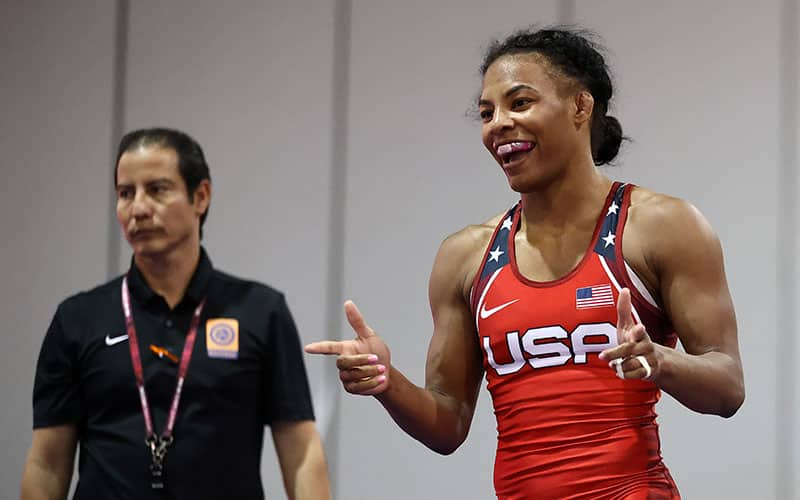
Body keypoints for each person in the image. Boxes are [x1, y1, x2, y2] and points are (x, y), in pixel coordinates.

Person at [306, 27, 744, 499]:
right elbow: (448, 422)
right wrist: (387, 383)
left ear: (581, 106)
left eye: (520, 103)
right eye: (486, 112)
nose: (498, 124)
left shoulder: (663, 226)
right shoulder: (466, 257)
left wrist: (661, 361)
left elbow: (727, 388)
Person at [20, 128, 330, 500]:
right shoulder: (78, 319)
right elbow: (47, 464)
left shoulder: (260, 312)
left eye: (157, 189)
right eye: (125, 193)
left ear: (200, 197)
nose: (138, 209)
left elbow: (300, 451)